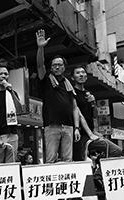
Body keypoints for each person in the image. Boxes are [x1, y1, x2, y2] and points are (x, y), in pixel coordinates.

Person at [36, 29, 94, 163]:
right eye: (54, 65)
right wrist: (40, 48)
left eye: (59, 65)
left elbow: (74, 108)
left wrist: (76, 128)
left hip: (68, 127)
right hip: (52, 127)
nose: (57, 67)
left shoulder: (68, 85)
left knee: (68, 160)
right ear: (51, 68)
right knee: (50, 160)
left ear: (64, 68)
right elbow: (39, 65)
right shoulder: (46, 81)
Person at [71, 65, 122, 161]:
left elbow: (94, 116)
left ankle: (100, 174)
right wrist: (90, 133)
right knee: (80, 163)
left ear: (86, 76)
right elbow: (79, 114)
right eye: (78, 73)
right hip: (79, 134)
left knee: (116, 151)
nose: (81, 75)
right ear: (73, 78)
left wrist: (93, 103)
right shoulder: (72, 93)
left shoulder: (88, 94)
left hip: (91, 133)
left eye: (83, 72)